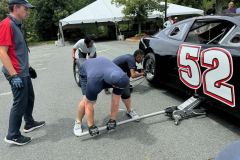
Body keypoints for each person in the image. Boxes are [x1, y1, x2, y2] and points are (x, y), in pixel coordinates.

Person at [0, 0, 45, 146]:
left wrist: (29, 67)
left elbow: (18, 51)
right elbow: (2, 51)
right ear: (15, 8)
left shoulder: (17, 25)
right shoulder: (7, 24)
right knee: (20, 102)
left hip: (22, 70)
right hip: (16, 72)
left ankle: (29, 123)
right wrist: (13, 75)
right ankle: (12, 134)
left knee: (29, 97)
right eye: (25, 9)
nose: (28, 12)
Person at [73, 57, 129, 137]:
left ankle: (113, 118)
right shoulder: (94, 81)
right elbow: (89, 104)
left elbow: (115, 100)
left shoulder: (121, 76)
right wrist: (91, 125)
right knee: (86, 100)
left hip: (103, 68)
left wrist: (112, 119)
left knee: (116, 96)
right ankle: (78, 122)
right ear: (113, 85)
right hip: (87, 71)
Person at [105, 50, 145, 120]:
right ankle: (129, 111)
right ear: (138, 57)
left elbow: (130, 71)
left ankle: (107, 86)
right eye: (142, 58)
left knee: (127, 85)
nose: (142, 59)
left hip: (109, 73)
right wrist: (143, 74)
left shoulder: (130, 58)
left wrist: (140, 71)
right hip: (114, 75)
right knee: (126, 93)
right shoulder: (131, 60)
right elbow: (133, 75)